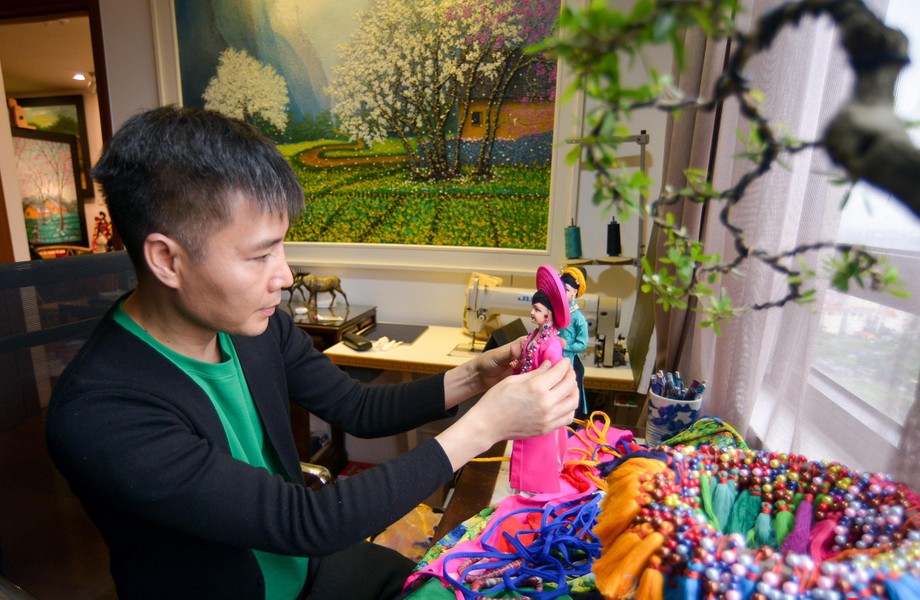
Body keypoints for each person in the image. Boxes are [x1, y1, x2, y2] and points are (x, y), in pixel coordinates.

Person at [45, 106, 578, 600]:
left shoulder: (253, 328)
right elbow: (303, 521)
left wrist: (477, 377)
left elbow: (357, 408)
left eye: (281, 246)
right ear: (166, 259)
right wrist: (485, 427)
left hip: (308, 566)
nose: (283, 275)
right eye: (259, 255)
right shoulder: (100, 412)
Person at [508, 265, 571, 495]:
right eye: (533, 308)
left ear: (549, 315)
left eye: (536, 309)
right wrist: (518, 366)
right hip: (528, 396)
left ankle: (535, 485)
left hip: (540, 401)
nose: (532, 313)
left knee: (538, 445)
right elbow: (529, 360)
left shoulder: (552, 344)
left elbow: (552, 374)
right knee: (524, 441)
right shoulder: (534, 335)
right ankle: (522, 482)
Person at [558, 266, 590, 418]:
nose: (561, 292)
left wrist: (566, 347)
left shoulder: (578, 318)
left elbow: (582, 343)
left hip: (568, 363)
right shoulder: (555, 313)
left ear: (575, 293)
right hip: (554, 358)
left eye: (566, 289)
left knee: (565, 401)